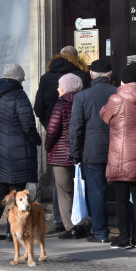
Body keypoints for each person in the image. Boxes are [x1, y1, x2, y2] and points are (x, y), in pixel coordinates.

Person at [100, 64, 136, 250]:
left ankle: (124, 239)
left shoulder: (115, 99)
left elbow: (104, 116)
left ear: (123, 80)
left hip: (120, 154)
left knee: (122, 198)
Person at [33, 45, 91, 234]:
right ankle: (79, 221)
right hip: (80, 141)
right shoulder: (82, 76)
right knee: (79, 183)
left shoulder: (46, 77)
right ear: (76, 58)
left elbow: (38, 108)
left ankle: (61, 221)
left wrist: (51, 127)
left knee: (61, 185)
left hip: (57, 140)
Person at [0, 63, 41, 241]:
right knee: (18, 192)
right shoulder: (18, 95)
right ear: (17, 78)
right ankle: (12, 231)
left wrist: (0, 134)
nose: (23, 81)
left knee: (2, 189)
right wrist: (36, 139)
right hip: (17, 151)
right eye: (22, 78)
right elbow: (28, 124)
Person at [68, 59, 118, 243]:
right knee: (122, 192)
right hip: (118, 150)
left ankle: (100, 233)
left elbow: (76, 128)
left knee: (96, 192)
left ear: (91, 75)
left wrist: (75, 154)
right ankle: (127, 231)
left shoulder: (82, 97)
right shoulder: (118, 93)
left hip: (93, 151)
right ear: (110, 75)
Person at [46, 73, 85, 238]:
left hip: (61, 155)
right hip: (82, 153)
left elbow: (52, 130)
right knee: (80, 190)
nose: (57, 89)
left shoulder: (61, 104)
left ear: (66, 87)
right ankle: (83, 224)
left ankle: (71, 227)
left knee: (64, 193)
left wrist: (48, 147)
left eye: (60, 86)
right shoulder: (83, 101)